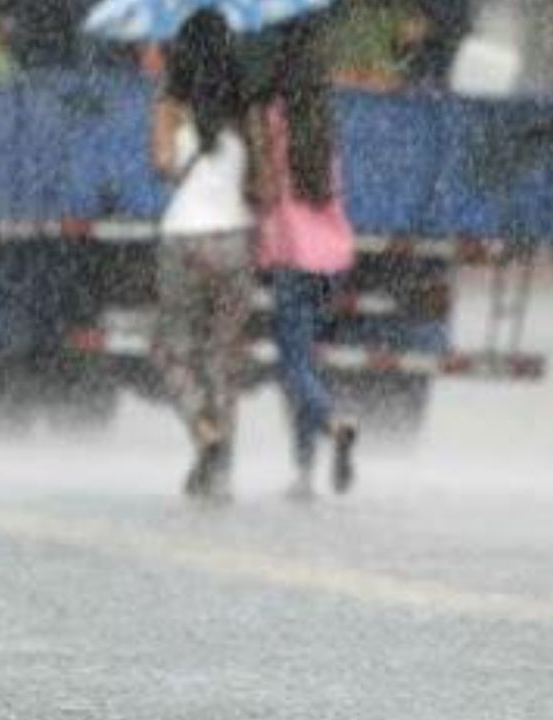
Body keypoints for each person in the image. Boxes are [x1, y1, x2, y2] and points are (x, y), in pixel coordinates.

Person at [149, 10, 259, 499]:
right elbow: (263, 183)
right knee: (224, 358)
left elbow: (163, 164)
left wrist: (181, 152)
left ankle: (203, 432)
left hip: (185, 237)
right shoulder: (246, 112)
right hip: (235, 239)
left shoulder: (171, 104)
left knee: (173, 350)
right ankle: (220, 470)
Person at [252, 16, 358, 500]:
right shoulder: (323, 122)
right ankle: (303, 472)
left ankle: (334, 424)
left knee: (292, 367)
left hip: (291, 257)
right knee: (308, 361)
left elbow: (266, 188)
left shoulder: (275, 120)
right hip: (333, 260)